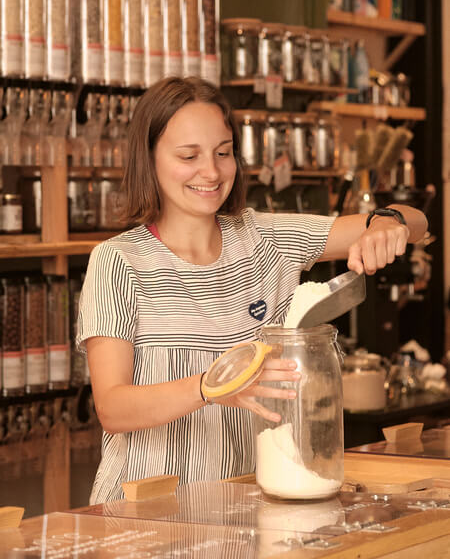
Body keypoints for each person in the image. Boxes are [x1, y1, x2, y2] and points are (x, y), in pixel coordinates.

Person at [77, 77, 427, 503]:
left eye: (223, 153)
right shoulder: (119, 261)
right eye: (189, 156)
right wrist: (211, 386)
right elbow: (113, 408)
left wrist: (389, 224)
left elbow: (417, 223)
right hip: (146, 509)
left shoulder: (265, 238)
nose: (211, 171)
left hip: (246, 506)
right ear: (148, 159)